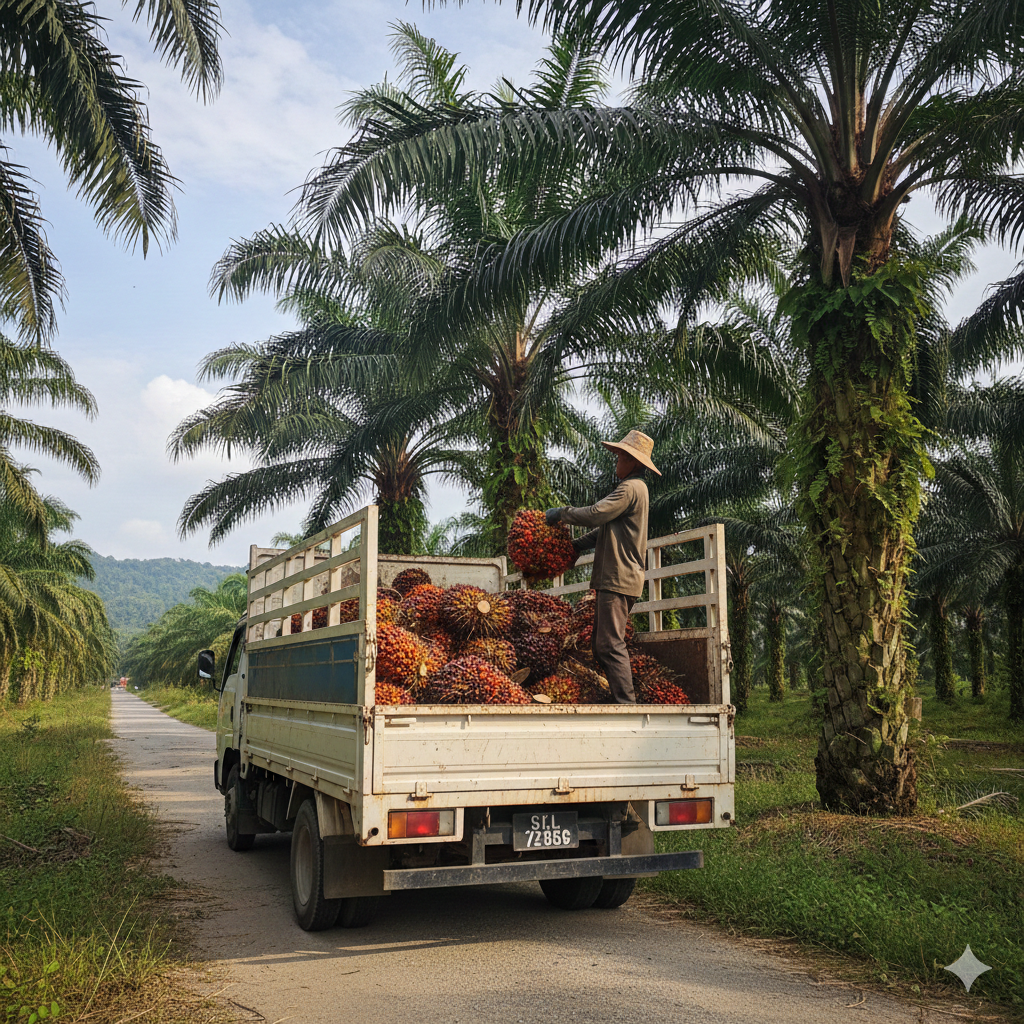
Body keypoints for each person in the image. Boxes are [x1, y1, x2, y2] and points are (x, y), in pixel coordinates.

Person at [545, 429, 660, 703]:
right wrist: (574, 547)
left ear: (634, 462)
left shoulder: (631, 488)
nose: (616, 461)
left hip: (619, 578)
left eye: (620, 456)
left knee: (609, 644)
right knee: (601, 645)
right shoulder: (634, 490)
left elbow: (596, 514)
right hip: (617, 578)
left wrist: (563, 514)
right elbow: (603, 532)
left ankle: (626, 705)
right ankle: (618, 698)